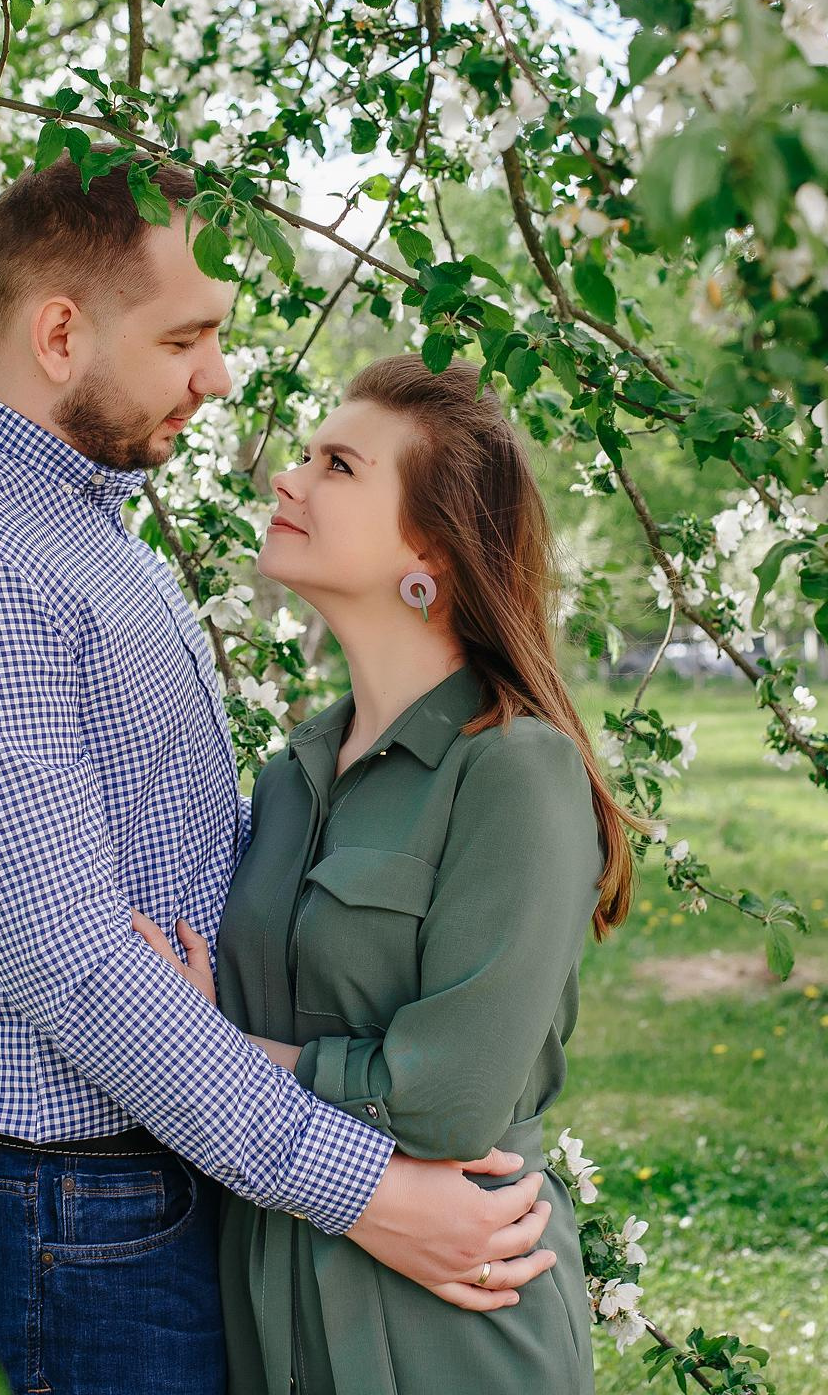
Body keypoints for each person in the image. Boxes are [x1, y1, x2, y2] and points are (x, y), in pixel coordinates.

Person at [0, 151, 557, 1393]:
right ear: (60, 333)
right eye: (186, 337)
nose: (217, 378)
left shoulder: (68, 517)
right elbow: (83, 970)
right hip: (52, 1218)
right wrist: (366, 1188)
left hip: (123, 1189)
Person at [134, 353, 641, 1395]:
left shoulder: (515, 773)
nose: (288, 477)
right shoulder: (287, 778)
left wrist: (214, 1047)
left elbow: (446, 1096)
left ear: (431, 546)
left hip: (453, 1320)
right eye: (306, 455)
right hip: (265, 1313)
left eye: (339, 465)